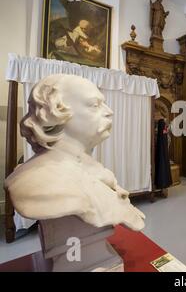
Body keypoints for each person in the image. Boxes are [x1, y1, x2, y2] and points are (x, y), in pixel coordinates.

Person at [5, 74, 145, 231]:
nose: (109, 111)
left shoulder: (91, 166)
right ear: (55, 112)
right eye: (94, 105)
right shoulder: (35, 182)